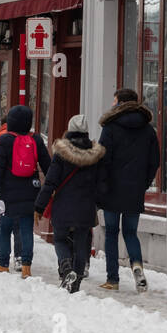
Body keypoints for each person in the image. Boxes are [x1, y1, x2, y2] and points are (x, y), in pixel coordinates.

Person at [97, 88, 161, 292]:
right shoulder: (148, 129)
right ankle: (137, 266)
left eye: (115, 101)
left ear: (121, 103)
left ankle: (112, 279)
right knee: (131, 233)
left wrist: (103, 184)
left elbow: (103, 159)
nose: (112, 104)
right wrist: (143, 182)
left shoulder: (110, 128)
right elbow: (155, 161)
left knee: (111, 233)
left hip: (112, 189)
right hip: (135, 189)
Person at [34, 114, 104, 293]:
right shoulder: (96, 156)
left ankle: (66, 269)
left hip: (63, 207)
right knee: (81, 243)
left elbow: (50, 182)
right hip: (85, 208)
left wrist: (39, 207)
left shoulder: (61, 155)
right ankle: (76, 282)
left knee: (59, 239)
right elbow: (101, 184)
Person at [0, 104, 50, 277]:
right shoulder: (36, 140)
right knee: (26, 228)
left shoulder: (4, 140)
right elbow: (47, 166)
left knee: (5, 228)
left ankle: (4, 264)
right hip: (30, 190)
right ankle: (26, 266)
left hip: (8, 191)